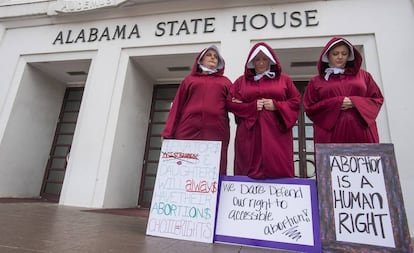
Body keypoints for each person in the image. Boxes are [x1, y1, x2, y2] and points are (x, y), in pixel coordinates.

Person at [227, 42, 301, 179]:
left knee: (277, 166)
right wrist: (251, 106)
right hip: (249, 132)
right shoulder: (240, 82)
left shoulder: (284, 80)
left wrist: (276, 106)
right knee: (247, 167)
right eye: (257, 59)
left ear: (270, 61)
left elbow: (296, 101)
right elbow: (230, 103)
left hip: (276, 132)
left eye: (264, 59)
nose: (261, 63)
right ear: (251, 62)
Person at [162, 45, 232, 175]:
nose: (212, 58)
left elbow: (235, 104)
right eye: (209, 55)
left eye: (216, 56)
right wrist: (168, 132)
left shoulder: (225, 82)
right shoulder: (189, 80)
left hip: (216, 131)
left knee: (213, 166)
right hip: (187, 130)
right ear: (200, 60)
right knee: (184, 165)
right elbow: (177, 107)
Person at [303, 37, 384, 143]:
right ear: (327, 56)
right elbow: (309, 107)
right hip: (331, 134)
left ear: (349, 55)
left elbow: (377, 99)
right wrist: (337, 102)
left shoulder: (364, 76)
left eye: (344, 54)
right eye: (335, 54)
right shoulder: (316, 81)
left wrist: (355, 102)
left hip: (362, 132)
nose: (340, 57)